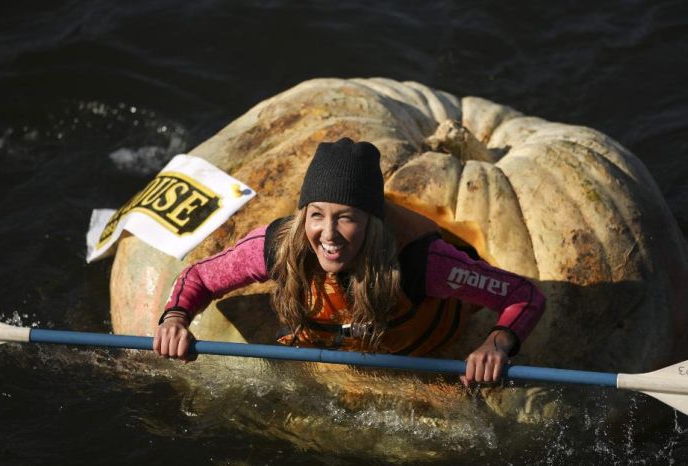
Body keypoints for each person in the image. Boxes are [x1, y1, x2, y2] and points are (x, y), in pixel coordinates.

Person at [154, 137, 545, 386]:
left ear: (371, 223)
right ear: (303, 214)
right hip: (326, 349)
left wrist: (496, 344)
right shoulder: (278, 245)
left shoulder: (423, 262)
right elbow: (199, 277)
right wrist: (174, 319)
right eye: (317, 214)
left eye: (346, 217)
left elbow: (523, 295)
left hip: (419, 355)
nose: (328, 233)